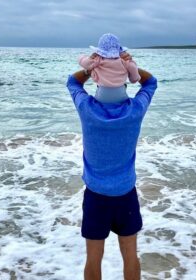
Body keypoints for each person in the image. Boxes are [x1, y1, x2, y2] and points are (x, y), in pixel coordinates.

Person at [66, 50, 157, 279]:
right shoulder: (134, 111)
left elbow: (72, 81)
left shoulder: (87, 109)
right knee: (130, 256)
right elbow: (150, 82)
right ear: (123, 83)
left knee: (93, 260)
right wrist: (129, 66)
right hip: (125, 194)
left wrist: (92, 67)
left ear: (98, 82)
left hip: (96, 196)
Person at [78, 33, 141, 103]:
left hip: (102, 94)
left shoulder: (97, 59)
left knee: (99, 99)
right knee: (123, 97)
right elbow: (135, 79)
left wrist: (88, 57)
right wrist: (131, 62)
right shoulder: (124, 61)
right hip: (120, 94)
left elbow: (83, 63)